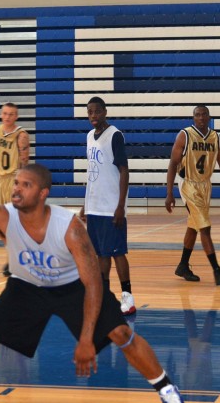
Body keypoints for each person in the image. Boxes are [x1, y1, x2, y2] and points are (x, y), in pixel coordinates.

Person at [0, 164, 185, 403]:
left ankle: (166, 389)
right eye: (16, 183)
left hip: (72, 287)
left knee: (122, 334)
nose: (17, 189)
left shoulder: (70, 227)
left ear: (43, 193)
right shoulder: (2, 214)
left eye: (26, 185)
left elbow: (93, 284)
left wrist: (86, 339)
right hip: (26, 287)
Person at [165, 105, 220, 286]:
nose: (201, 117)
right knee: (204, 227)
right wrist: (169, 192)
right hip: (187, 183)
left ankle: (182, 266)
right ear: (193, 118)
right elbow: (173, 163)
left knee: (194, 226)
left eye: (204, 114)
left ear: (209, 117)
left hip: (205, 186)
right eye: (197, 115)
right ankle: (217, 272)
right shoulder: (185, 135)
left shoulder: (216, 138)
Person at [79, 96, 135, 315]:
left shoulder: (115, 135)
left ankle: (127, 297)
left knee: (117, 252)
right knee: (100, 254)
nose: (93, 116)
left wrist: (121, 205)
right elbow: (92, 174)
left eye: (96, 111)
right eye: (89, 112)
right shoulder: (89, 137)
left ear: (104, 112)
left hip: (112, 206)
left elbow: (124, 170)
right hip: (94, 206)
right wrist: (86, 204)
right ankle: (104, 295)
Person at [0, 102, 30, 277]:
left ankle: (17, 259)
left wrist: (21, 187)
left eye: (11, 114)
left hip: (13, 180)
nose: (7, 117)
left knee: (13, 224)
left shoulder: (21, 135)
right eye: (5, 113)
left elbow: (24, 162)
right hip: (0, 180)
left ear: (16, 116)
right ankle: (17, 252)